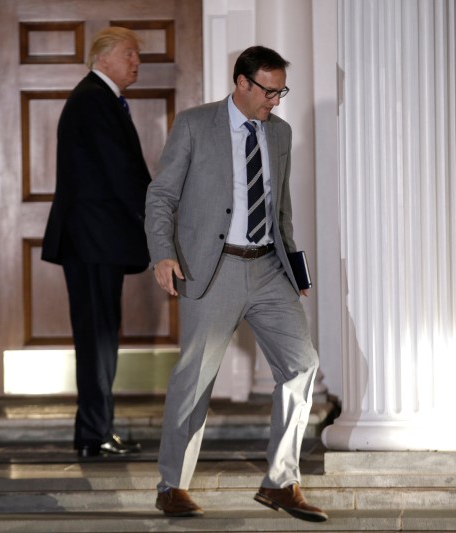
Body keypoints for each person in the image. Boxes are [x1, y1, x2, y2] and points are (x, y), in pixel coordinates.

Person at [145, 45, 327, 523]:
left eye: (281, 90)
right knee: (195, 378)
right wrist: (163, 253)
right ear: (242, 83)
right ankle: (172, 486)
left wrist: (295, 270)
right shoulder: (193, 124)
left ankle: (281, 481)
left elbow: (279, 207)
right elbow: (161, 195)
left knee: (302, 365)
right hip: (213, 268)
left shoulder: (280, 133)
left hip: (269, 268)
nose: (276, 101)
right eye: (269, 90)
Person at [41, 27, 151, 458]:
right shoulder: (93, 99)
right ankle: (93, 434)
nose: (136, 62)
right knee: (97, 340)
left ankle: (98, 429)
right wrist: (157, 215)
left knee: (102, 338)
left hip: (98, 242)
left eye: (137, 55)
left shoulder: (100, 98)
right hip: (92, 243)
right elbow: (119, 171)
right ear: (103, 58)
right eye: (129, 54)